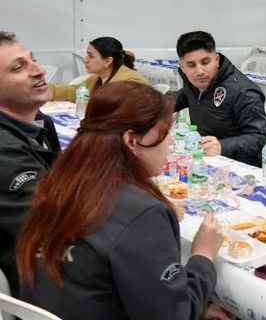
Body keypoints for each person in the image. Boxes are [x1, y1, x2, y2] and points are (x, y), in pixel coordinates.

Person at [17, 82, 231, 320]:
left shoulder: (62, 180)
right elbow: (173, 316)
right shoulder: (142, 213)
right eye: (163, 132)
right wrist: (203, 256)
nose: (170, 142)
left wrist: (195, 303)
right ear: (131, 140)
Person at [0, 32, 60, 295]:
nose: (38, 71)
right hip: (37, 277)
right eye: (19, 67)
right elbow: (54, 224)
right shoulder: (6, 151)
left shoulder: (40, 122)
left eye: (33, 60)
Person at [174, 31, 266, 167]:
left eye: (205, 62)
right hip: (206, 163)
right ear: (182, 67)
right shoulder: (192, 84)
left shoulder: (243, 91)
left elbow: (262, 139)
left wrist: (223, 146)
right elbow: (182, 96)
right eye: (191, 65)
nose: (200, 71)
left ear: (217, 59)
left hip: (242, 169)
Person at [49, 37, 149, 101]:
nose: (85, 60)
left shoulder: (132, 83)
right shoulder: (97, 78)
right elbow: (74, 92)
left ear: (108, 61)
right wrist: (45, 90)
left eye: (90, 56)